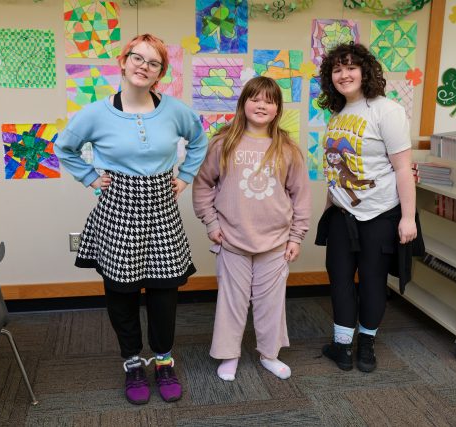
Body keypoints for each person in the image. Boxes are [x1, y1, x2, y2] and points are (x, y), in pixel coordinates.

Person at [54, 34, 208, 405]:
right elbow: (65, 146)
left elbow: (199, 140)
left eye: (154, 63)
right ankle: (133, 362)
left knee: (163, 291)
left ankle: (164, 360)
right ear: (123, 62)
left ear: (160, 73)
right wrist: (91, 176)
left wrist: (185, 176)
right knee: (121, 292)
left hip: (161, 208)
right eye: (138, 58)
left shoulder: (174, 110)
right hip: (118, 207)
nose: (144, 67)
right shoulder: (95, 112)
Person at [193, 76, 311, 381]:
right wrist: (211, 222)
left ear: (277, 110)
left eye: (269, 101)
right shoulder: (223, 142)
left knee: (271, 303)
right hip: (231, 239)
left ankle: (269, 354)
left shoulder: (287, 148)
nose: (261, 105)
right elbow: (203, 184)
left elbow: (300, 195)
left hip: (275, 242)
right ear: (243, 103)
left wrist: (296, 237)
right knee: (232, 301)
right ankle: (229, 354)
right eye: (255, 98)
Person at [315, 42, 417, 373]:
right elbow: (336, 167)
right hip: (343, 215)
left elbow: (403, 168)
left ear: (365, 71)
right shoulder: (338, 114)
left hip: (380, 215)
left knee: (372, 280)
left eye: (350, 67)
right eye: (337, 69)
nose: (344, 74)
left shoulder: (387, 111)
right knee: (340, 278)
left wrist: (407, 218)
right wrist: (328, 209)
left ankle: (367, 346)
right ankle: (343, 346)